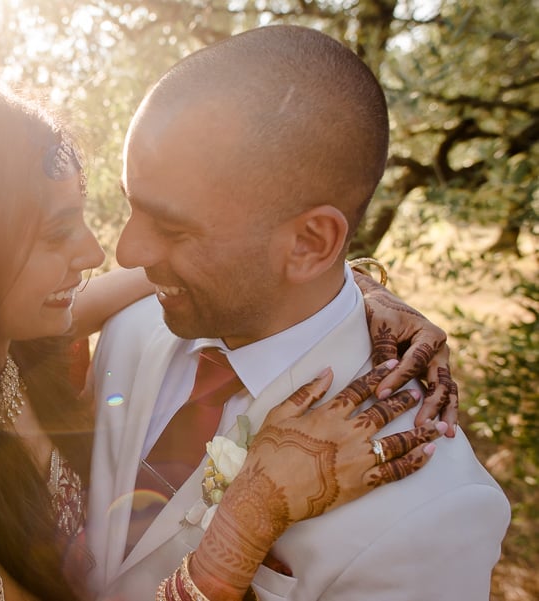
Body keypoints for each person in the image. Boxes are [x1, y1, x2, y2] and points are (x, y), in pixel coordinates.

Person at [0, 79, 451, 601]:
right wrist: (247, 518)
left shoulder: (16, 345)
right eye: (58, 231)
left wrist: (357, 291)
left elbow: (189, 270)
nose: (103, 250)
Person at [86, 25, 511, 601]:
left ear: (311, 242)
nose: (127, 254)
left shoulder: (436, 506)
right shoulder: (128, 330)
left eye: (173, 227)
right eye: (132, 204)